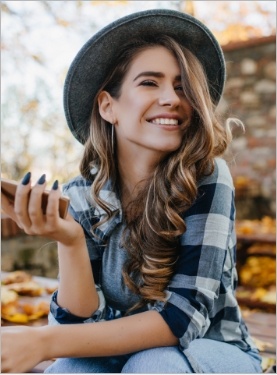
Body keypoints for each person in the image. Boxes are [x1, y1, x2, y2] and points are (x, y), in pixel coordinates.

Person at [1, 9, 262, 374]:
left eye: (182, 86)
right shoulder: (81, 195)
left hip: (213, 350)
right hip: (121, 352)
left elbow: (180, 320)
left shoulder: (206, 177)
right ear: (108, 106)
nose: (172, 98)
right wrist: (70, 240)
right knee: (68, 370)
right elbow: (77, 330)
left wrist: (42, 341)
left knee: (154, 363)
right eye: (150, 83)